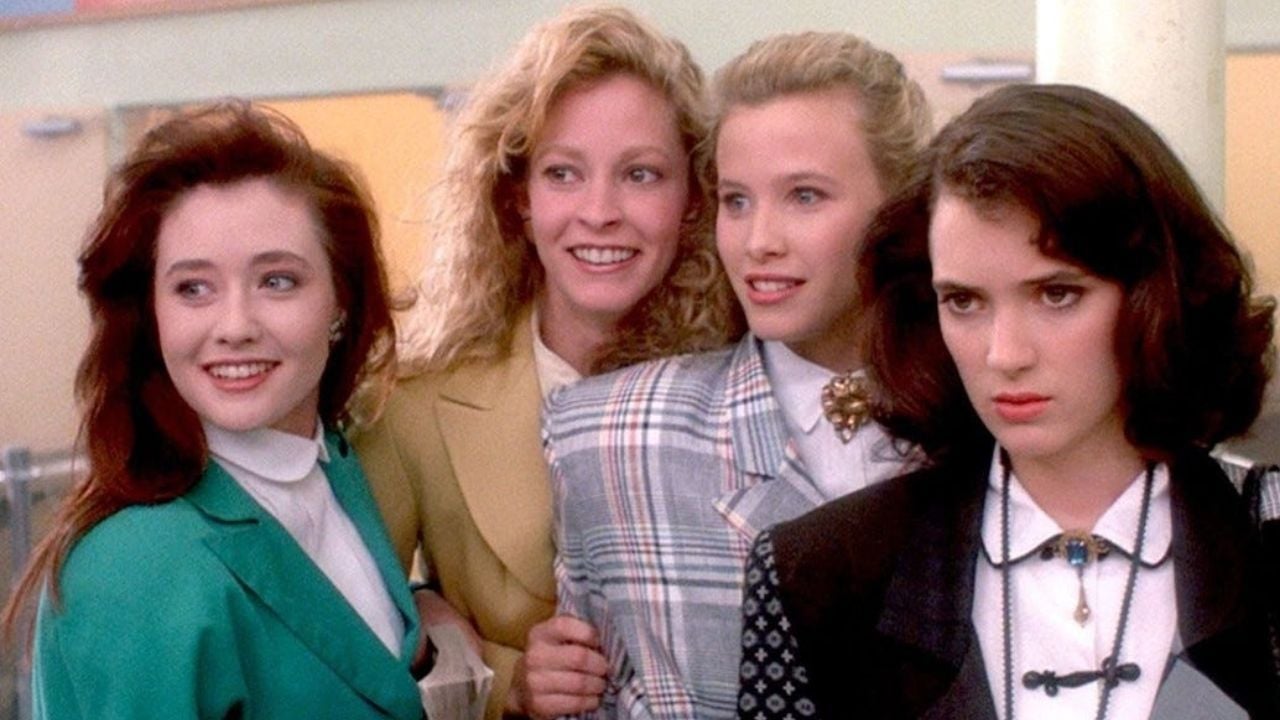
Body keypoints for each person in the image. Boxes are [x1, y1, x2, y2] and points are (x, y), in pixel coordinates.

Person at [738, 83, 1280, 719]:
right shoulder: (817, 573)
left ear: (1155, 294)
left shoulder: (1265, 534)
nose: (1005, 353)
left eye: (1056, 295)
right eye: (964, 301)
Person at [352, 5, 741, 718]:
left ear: (693, 197)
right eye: (563, 173)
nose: (600, 211)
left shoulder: (749, 374)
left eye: (641, 174)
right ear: (518, 198)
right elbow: (356, 636)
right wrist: (506, 680)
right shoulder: (414, 401)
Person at [542, 32, 931, 718]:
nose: (758, 242)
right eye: (737, 200)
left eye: (804, 196)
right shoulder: (604, 436)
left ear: (899, 209)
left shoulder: (989, 428)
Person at [0, 103, 424, 718]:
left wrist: (429, 617)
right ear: (152, 317)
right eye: (193, 288)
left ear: (342, 302)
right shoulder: (134, 567)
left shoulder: (336, 468)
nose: (235, 326)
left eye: (277, 280)